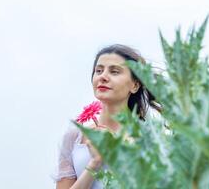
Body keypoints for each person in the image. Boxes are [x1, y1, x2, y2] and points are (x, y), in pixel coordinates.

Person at [54, 44, 161, 189]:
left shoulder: (150, 139)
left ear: (135, 85)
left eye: (114, 71)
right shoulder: (74, 136)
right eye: (98, 71)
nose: (103, 77)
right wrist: (95, 162)